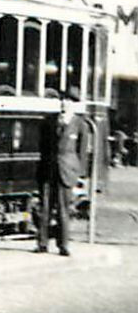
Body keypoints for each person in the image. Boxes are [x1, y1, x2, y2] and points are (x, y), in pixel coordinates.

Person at [36, 90, 94, 257]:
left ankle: (63, 245)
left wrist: (80, 174)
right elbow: (43, 146)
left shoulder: (80, 125)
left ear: (73, 104)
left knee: (63, 209)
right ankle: (42, 243)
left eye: (68, 101)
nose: (64, 103)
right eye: (62, 100)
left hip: (67, 171)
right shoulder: (50, 121)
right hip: (49, 169)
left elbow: (82, 152)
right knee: (45, 207)